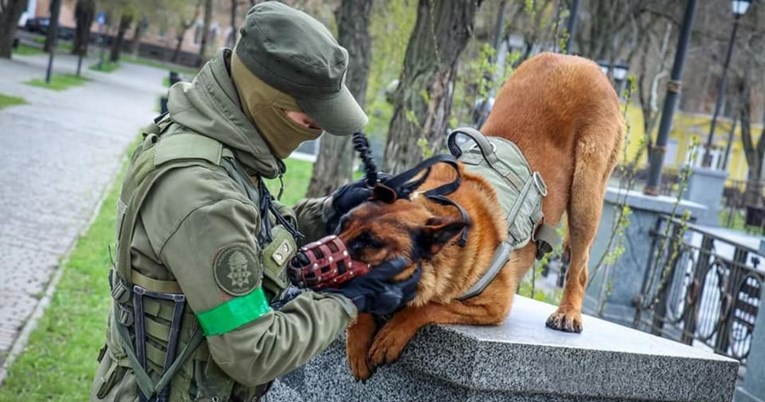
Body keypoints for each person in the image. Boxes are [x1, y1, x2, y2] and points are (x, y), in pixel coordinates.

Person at [90, 2, 419, 401]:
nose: (316, 131)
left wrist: (331, 210)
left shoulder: (208, 137)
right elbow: (253, 351)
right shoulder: (201, 190)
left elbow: (251, 237)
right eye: (309, 120)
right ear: (265, 98)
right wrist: (348, 301)